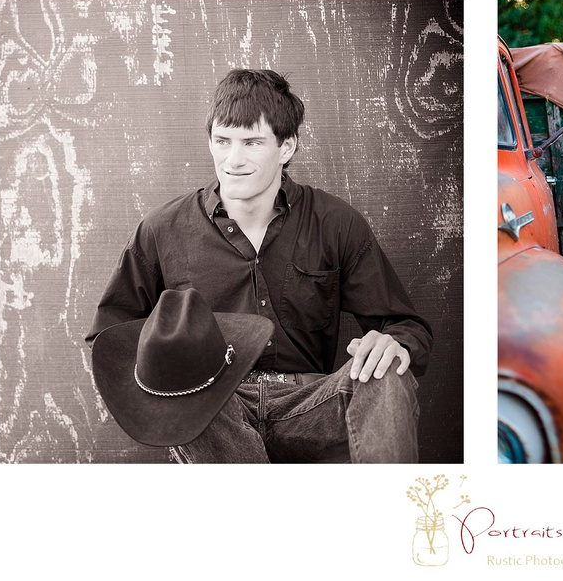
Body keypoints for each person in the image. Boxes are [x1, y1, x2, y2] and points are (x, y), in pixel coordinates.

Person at [86, 69, 433, 463]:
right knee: (191, 400)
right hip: (215, 408)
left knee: (387, 373)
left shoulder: (335, 222)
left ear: (286, 147)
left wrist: (394, 343)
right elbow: (108, 337)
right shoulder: (161, 229)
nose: (234, 160)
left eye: (252, 142)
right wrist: (167, 374)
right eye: (223, 141)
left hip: (314, 401)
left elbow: (407, 326)